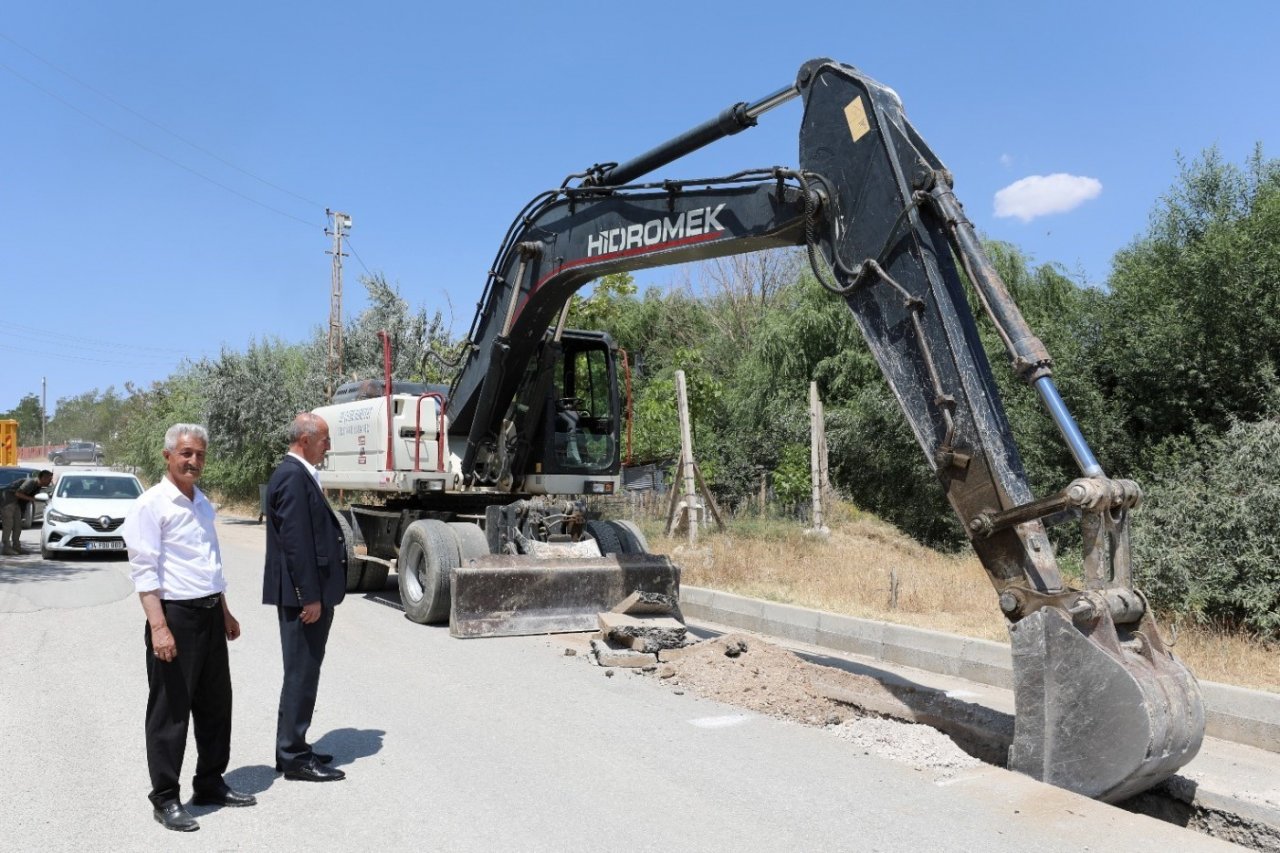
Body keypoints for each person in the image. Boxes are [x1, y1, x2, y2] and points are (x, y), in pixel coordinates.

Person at [121, 424, 256, 832]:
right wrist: (159, 628)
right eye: (186, 453)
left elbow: (209, 563)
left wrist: (225, 611)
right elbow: (144, 573)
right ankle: (165, 797)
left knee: (216, 705)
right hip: (175, 617)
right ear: (168, 456)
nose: (194, 460)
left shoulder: (202, 502)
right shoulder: (151, 505)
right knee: (171, 711)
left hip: (210, 613)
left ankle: (210, 782)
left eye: (199, 454)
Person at [263, 412, 347, 782]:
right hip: (304, 600)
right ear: (306, 440)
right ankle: (294, 757)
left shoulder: (298, 474)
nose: (328, 446)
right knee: (301, 673)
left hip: (308, 595)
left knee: (302, 672)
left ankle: (291, 748)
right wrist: (309, 597)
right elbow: (296, 544)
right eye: (325, 439)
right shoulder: (293, 476)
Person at [2, 469, 52, 555]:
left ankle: (17, 547)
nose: (50, 481)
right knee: (8, 525)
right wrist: (32, 499)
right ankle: (6, 548)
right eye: (49, 479)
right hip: (8, 501)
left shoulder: (38, 486)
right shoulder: (31, 482)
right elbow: (18, 493)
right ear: (43, 478)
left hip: (16, 503)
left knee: (18, 526)